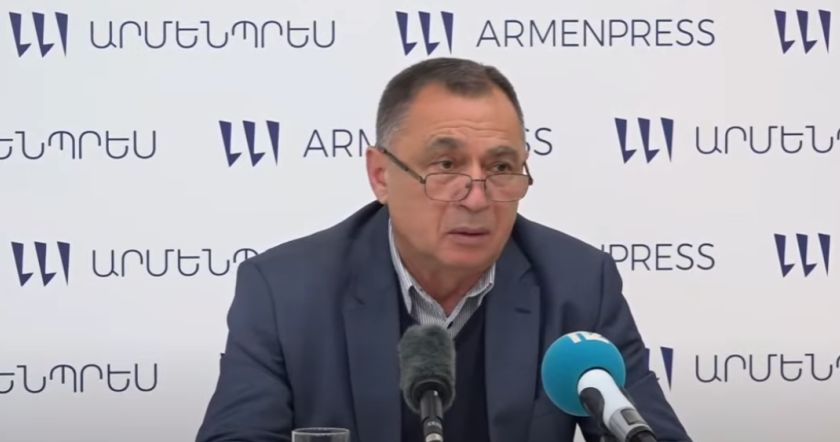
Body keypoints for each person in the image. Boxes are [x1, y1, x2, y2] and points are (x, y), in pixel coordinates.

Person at [196, 57, 691, 442]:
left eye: (500, 168)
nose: (476, 198)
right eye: (446, 166)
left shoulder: (578, 285)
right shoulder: (284, 291)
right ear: (381, 175)